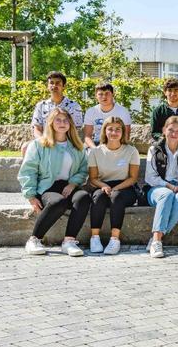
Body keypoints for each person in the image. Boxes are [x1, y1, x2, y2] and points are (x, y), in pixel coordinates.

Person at [18, 108, 91, 257]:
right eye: (58, 120)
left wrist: (73, 183)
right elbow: (28, 170)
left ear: (70, 124)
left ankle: (69, 242)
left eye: (65, 120)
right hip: (47, 187)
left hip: (68, 186)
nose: (62, 123)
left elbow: (83, 170)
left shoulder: (77, 146)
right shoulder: (38, 145)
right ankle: (34, 240)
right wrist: (31, 196)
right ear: (51, 123)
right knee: (58, 202)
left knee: (83, 197)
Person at [144, 116, 178, 259]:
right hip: (157, 188)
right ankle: (157, 241)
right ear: (164, 130)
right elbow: (150, 177)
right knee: (166, 195)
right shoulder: (154, 149)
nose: (174, 133)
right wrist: (168, 185)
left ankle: (156, 238)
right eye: (170, 130)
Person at [87, 116, 140, 255]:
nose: (114, 132)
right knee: (98, 197)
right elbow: (93, 178)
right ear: (104, 131)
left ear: (123, 132)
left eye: (118, 129)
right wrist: (104, 186)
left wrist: (116, 188)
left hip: (125, 187)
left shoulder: (131, 151)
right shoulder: (95, 152)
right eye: (110, 129)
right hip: (102, 185)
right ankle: (95, 238)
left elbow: (133, 178)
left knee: (116, 197)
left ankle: (114, 240)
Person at [27, 72, 83, 153]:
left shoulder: (74, 106)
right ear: (48, 86)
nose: (54, 85)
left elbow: (77, 129)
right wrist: (43, 142)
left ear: (64, 86)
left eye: (58, 83)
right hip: (45, 141)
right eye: (51, 83)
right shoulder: (41, 106)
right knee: (25, 147)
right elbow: (37, 129)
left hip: (67, 143)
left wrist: (62, 143)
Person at [83, 82, 131, 148]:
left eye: (107, 93)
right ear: (96, 96)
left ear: (113, 94)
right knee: (84, 148)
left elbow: (126, 136)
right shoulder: (91, 111)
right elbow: (87, 136)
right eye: (100, 94)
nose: (104, 97)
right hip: (97, 142)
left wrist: (114, 149)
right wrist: (95, 149)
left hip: (116, 142)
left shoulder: (123, 111)